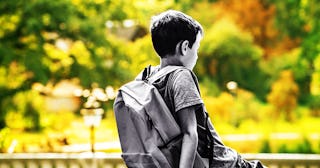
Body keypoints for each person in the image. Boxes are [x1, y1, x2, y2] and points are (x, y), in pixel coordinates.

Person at [146, 10, 265, 168]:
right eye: (197, 48)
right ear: (185, 47)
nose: (196, 56)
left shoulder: (149, 78)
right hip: (221, 163)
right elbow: (190, 133)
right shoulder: (181, 76)